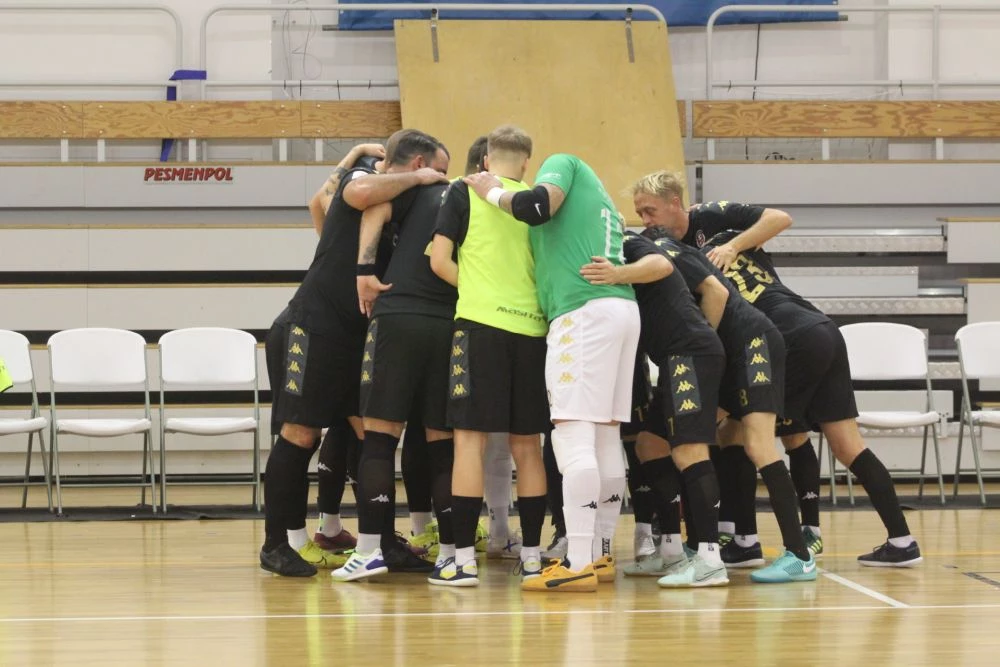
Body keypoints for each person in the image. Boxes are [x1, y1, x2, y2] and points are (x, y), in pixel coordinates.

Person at [259, 135, 447, 578]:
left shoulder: (394, 204)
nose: (437, 179)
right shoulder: (368, 180)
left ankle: (380, 543)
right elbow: (348, 193)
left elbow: (317, 205)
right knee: (300, 435)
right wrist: (375, 166)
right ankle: (275, 545)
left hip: (354, 337)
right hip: (312, 328)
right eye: (436, 169)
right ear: (419, 162)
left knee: (370, 437)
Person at [466, 154, 640, 592]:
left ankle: (578, 561)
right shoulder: (601, 200)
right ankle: (598, 554)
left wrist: (492, 191)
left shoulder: (565, 162)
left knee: (571, 434)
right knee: (604, 436)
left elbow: (537, 206)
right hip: (620, 311)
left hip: (582, 312)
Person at [703, 228, 923, 567]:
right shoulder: (753, 255)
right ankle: (902, 541)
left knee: (741, 429)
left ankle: (746, 540)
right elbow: (771, 220)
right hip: (824, 328)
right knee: (847, 445)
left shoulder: (704, 267)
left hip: (790, 339)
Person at [633, 170, 818, 551]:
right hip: (724, 351)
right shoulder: (662, 245)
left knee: (758, 444)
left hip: (752, 341)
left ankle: (798, 552)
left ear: (674, 203)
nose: (645, 221)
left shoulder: (689, 233)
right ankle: (721, 541)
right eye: (639, 214)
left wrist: (704, 346)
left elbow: (716, 290)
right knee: (658, 441)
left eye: (650, 211)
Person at [330, 131, 458, 582]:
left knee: (380, 439)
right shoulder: (471, 197)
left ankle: (369, 551)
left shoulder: (411, 188)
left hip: (399, 314)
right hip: (451, 321)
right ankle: (453, 556)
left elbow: (372, 206)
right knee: (443, 444)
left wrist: (364, 269)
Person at [430, 126, 550, 586]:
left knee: (469, 441)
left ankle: (461, 561)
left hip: (479, 326)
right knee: (527, 445)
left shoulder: (462, 192)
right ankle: (534, 557)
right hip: (531, 330)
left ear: (484, 161)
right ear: (525, 163)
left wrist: (482, 289)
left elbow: (439, 261)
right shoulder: (537, 202)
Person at [583, 231, 729, 588]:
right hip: (673, 359)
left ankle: (710, 560)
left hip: (690, 353)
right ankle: (671, 552)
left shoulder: (626, 243)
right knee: (649, 445)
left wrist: (618, 274)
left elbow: (661, 265)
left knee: (690, 452)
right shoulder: (597, 254)